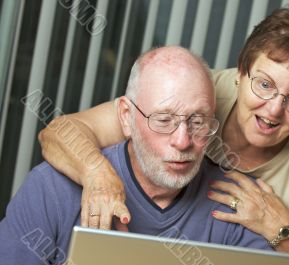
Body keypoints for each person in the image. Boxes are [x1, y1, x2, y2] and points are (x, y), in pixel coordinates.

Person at [39, 7, 289, 265]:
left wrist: (283, 233)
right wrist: (98, 174)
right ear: (240, 72)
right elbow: (58, 134)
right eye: (264, 84)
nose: (274, 109)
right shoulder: (197, 91)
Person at [0, 47, 272, 265]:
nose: (183, 141)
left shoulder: (237, 204)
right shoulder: (51, 190)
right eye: (163, 120)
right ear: (126, 117)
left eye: (198, 121)